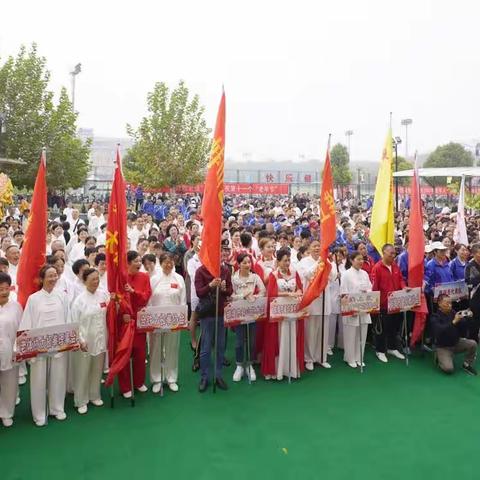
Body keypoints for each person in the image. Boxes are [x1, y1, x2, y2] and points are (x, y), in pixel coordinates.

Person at [20, 265, 69, 426]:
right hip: (39, 346)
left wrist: (72, 339)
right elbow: (27, 323)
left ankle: (57, 408)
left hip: (59, 344)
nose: (53, 278)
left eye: (55, 275)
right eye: (50, 276)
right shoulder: (33, 299)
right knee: (38, 380)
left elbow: (68, 318)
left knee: (59, 377)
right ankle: (39, 413)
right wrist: (26, 348)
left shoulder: (62, 296)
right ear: (42, 279)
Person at [70, 268, 109, 414]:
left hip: (100, 338)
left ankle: (94, 395)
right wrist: (80, 339)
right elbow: (74, 322)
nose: (96, 282)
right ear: (84, 281)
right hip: (85, 341)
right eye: (92, 279)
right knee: (82, 370)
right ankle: (81, 400)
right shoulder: (79, 301)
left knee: (97, 368)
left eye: (97, 279)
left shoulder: (103, 295)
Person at [262, 248, 304, 381]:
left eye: (289, 260)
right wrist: (286, 294)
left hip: (293, 311)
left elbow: (299, 288)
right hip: (280, 313)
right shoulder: (273, 275)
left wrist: (298, 292)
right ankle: (279, 369)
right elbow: (271, 295)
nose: (287, 263)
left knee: (292, 336)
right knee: (280, 338)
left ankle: (291, 368)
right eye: (285, 261)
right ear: (278, 261)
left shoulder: (294, 273)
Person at [148, 253, 186, 393]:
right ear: (161, 263)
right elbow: (149, 300)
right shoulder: (154, 279)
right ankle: (157, 379)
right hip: (156, 320)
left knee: (172, 348)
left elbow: (183, 301)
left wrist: (181, 318)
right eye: (165, 262)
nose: (168, 264)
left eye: (171, 262)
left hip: (174, 321)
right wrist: (152, 319)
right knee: (156, 348)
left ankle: (171, 378)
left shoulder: (179, 278)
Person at [194, 254, 233, 393]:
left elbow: (230, 290)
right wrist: (210, 285)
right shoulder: (200, 271)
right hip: (207, 314)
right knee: (205, 348)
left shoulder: (225, 271)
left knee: (221, 346)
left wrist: (223, 289)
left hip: (221, 313)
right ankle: (204, 377)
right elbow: (199, 292)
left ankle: (218, 375)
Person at [118, 251, 152, 398]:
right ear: (128, 262)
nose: (139, 264)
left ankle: (139, 382)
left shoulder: (144, 277)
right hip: (124, 321)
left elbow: (146, 296)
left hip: (139, 319)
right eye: (136, 261)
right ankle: (125, 387)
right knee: (125, 353)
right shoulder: (121, 278)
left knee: (140, 353)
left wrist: (133, 292)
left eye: (140, 261)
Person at [297, 241, 334, 370]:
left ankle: (322, 357)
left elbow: (333, 276)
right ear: (309, 248)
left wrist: (327, 263)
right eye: (314, 246)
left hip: (325, 300)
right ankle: (309, 358)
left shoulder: (326, 261)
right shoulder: (304, 262)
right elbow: (307, 275)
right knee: (311, 332)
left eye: (319, 246)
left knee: (323, 331)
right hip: (312, 301)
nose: (317, 248)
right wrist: (319, 265)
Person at [230, 253, 266, 382]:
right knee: (239, 341)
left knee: (251, 340)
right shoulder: (234, 278)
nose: (247, 265)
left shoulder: (255, 277)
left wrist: (255, 297)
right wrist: (242, 296)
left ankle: (250, 365)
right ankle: (239, 365)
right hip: (239, 313)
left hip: (252, 313)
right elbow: (231, 295)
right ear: (239, 264)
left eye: (248, 262)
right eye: (244, 262)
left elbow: (263, 291)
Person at [370, 244, 406, 363]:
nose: (393, 255)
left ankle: (392, 348)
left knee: (393, 327)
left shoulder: (395, 266)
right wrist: (377, 305)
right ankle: (380, 351)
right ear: (383, 253)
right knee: (382, 329)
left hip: (396, 303)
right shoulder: (377, 268)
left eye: (394, 253)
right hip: (383, 305)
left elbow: (400, 279)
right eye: (391, 253)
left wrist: (404, 287)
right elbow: (374, 288)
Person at [340, 252, 372, 368]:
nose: (361, 261)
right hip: (351, 309)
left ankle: (360, 357)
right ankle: (350, 357)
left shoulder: (365, 274)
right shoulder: (346, 274)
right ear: (352, 260)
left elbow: (370, 288)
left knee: (362, 333)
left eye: (362, 259)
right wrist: (350, 308)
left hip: (363, 307)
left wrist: (366, 292)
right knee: (351, 334)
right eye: (358, 259)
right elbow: (343, 293)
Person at [431, 294, 477, 375]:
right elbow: (440, 331)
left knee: (473, 344)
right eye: (447, 303)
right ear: (439, 303)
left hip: (456, 343)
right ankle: (438, 356)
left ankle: (467, 364)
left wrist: (467, 318)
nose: (450, 305)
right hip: (443, 347)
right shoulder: (434, 316)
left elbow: (463, 329)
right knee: (448, 369)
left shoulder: (453, 313)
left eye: (451, 303)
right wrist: (453, 322)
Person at [0, 272, 22, 427]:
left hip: (10, 350)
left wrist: (18, 349)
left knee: (9, 383)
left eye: (6, 288)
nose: (3, 292)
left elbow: (21, 330)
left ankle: (6, 413)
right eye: (0, 288)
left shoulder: (16, 306)